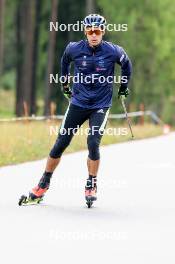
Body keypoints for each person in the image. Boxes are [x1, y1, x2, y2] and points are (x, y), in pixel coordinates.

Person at [28, 14, 132, 204]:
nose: (94, 35)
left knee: (93, 142)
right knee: (61, 142)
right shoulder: (74, 49)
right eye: (90, 31)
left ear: (103, 32)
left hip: (100, 105)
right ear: (85, 31)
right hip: (78, 103)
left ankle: (91, 183)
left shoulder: (113, 51)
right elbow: (65, 61)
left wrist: (123, 88)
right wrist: (65, 85)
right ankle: (44, 182)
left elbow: (127, 65)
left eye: (97, 31)